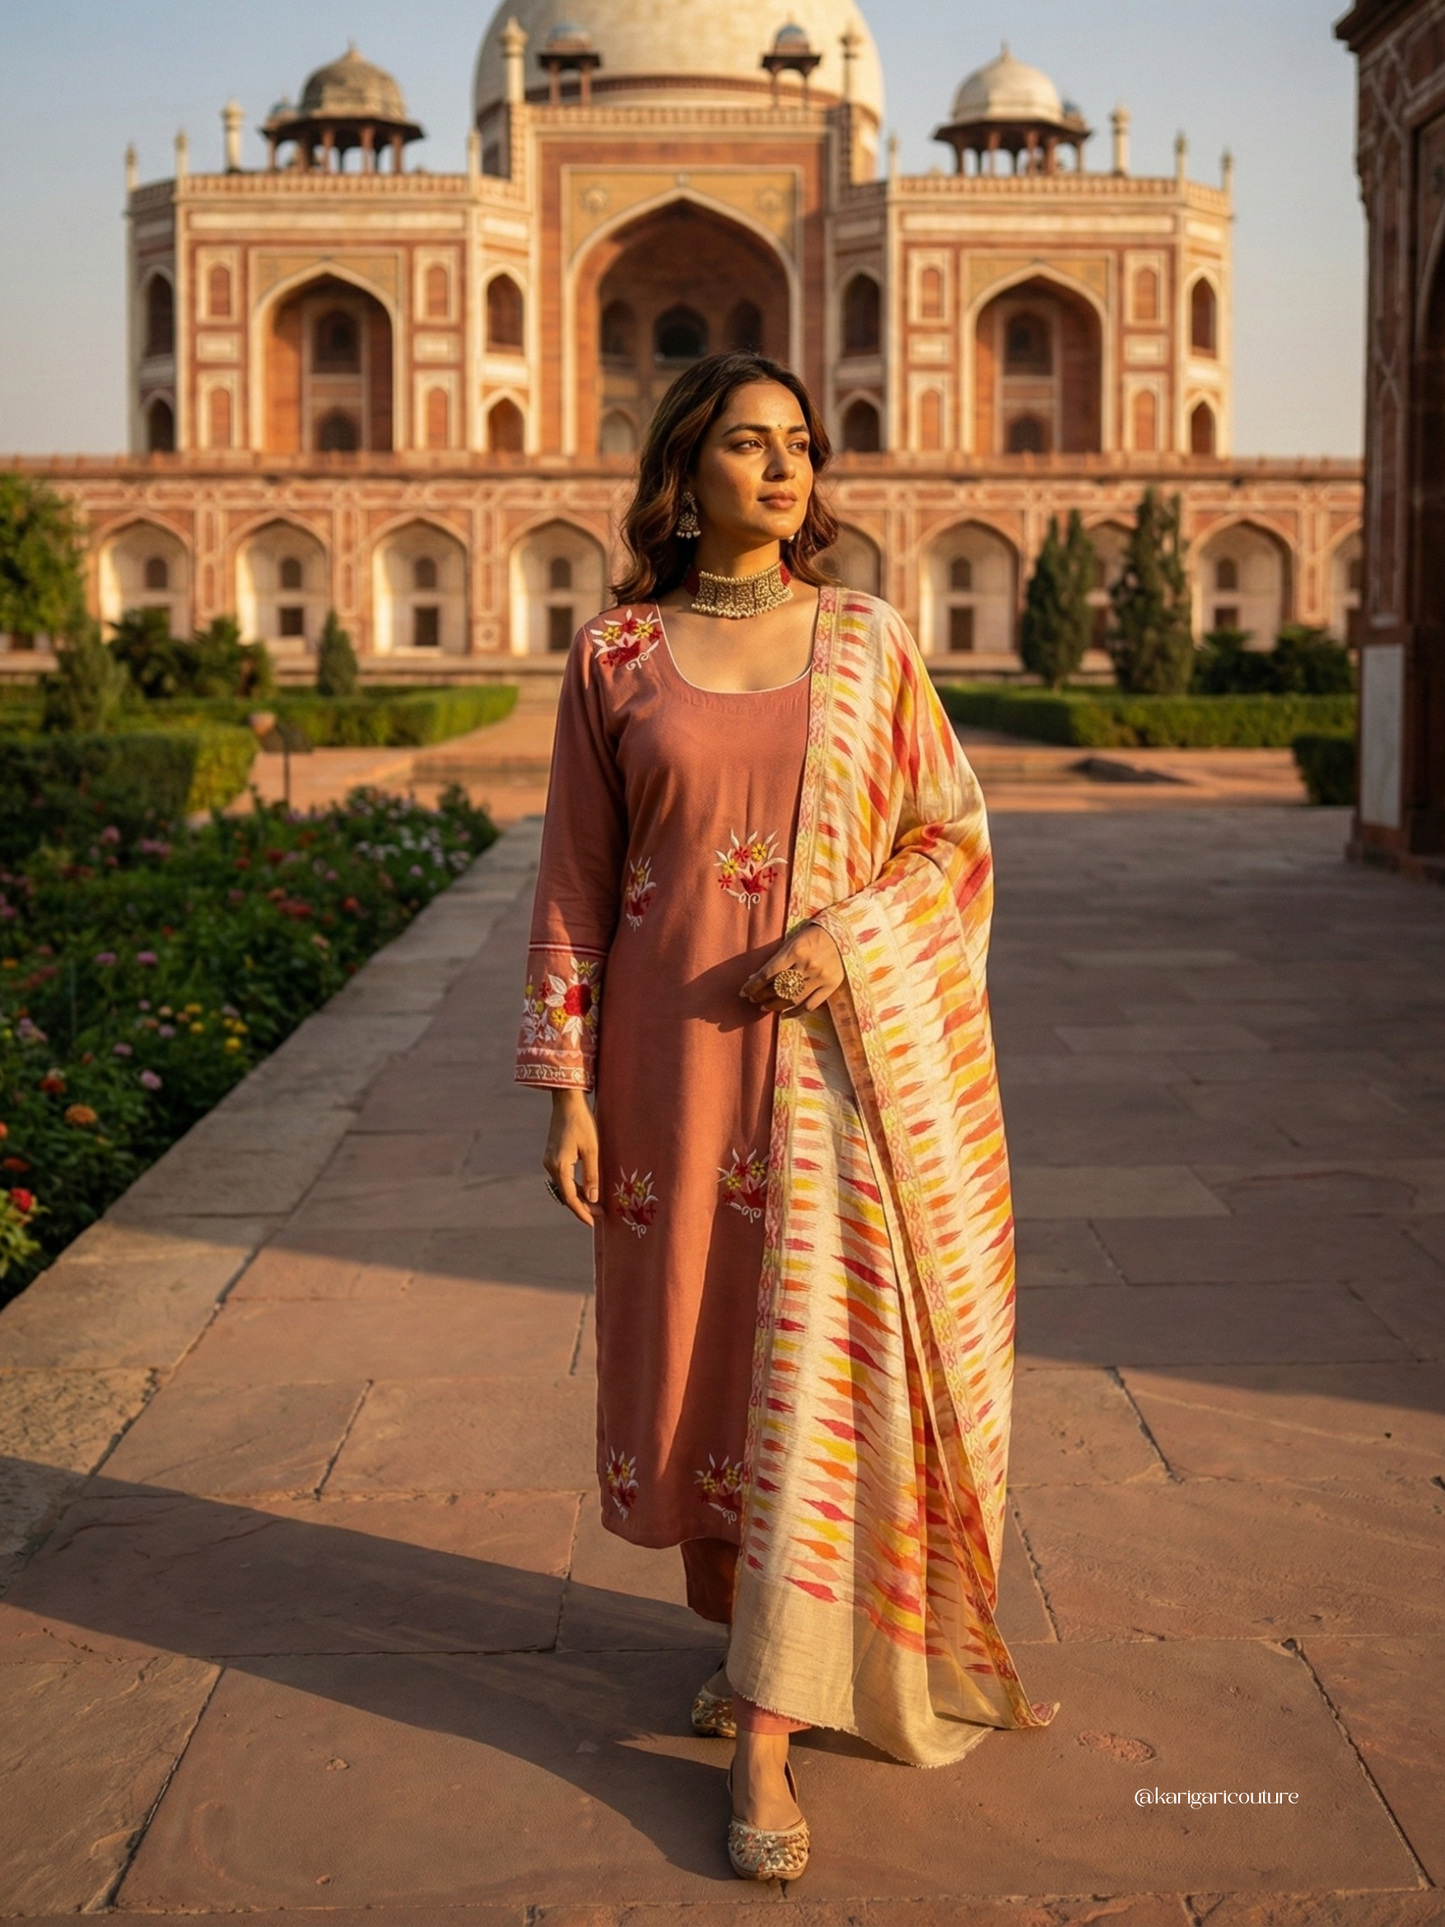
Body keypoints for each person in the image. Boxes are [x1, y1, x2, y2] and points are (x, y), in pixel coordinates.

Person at [516, 351, 1055, 1883]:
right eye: (748, 443)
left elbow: (949, 840)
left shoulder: (870, 643)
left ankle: (767, 1718)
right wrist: (562, 1084)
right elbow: (570, 876)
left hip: (828, 1079)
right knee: (692, 1371)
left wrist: (850, 940)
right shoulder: (613, 655)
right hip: (665, 1076)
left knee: (815, 1369)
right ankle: (754, 1633)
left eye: (802, 446)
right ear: (681, 470)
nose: (784, 468)